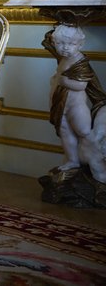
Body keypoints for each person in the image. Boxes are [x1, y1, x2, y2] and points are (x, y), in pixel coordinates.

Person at [44, 25, 106, 183]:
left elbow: (82, 86)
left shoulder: (80, 62)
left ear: (80, 45)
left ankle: (98, 166)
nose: (65, 48)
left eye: (70, 44)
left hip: (76, 106)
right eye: (60, 44)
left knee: (84, 132)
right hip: (61, 105)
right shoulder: (64, 59)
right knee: (65, 130)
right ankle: (73, 160)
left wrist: (63, 81)